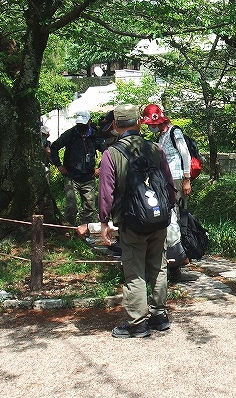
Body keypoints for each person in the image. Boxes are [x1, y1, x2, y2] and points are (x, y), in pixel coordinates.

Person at [99, 104, 176, 338]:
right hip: (158, 219)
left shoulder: (111, 154)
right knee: (158, 266)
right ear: (140, 123)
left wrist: (104, 222)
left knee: (134, 271)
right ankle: (159, 315)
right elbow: (168, 184)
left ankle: (138, 323)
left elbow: (106, 192)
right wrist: (167, 210)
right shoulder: (155, 149)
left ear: (115, 126)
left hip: (131, 221)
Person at [140, 103, 192, 279]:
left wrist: (186, 179)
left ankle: (179, 259)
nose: (150, 127)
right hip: (164, 181)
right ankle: (172, 260)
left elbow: (185, 154)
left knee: (177, 218)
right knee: (169, 219)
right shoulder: (161, 135)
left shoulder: (174, 132)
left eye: (150, 124)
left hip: (177, 179)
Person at [49, 110, 106, 226]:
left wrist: (100, 168)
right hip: (71, 176)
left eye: (83, 124)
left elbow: (106, 151)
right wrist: (59, 165)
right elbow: (54, 147)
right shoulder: (70, 134)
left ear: (89, 122)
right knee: (71, 206)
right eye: (79, 124)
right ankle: (69, 230)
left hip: (89, 177)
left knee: (89, 207)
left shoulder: (95, 136)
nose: (81, 126)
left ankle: (86, 230)